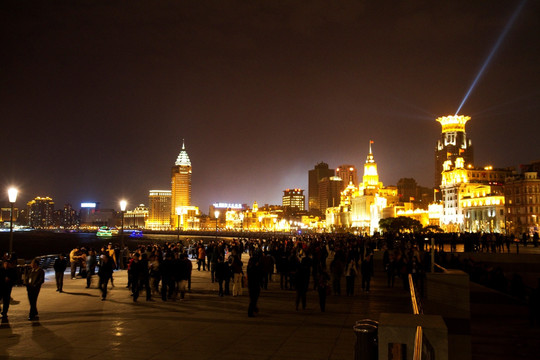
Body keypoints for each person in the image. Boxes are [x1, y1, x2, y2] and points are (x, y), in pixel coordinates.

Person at [1, 255, 18, 320]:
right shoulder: (1, 270)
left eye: (7, 263)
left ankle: (4, 313)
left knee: (6, 301)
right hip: (1, 287)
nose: (6, 265)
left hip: (7, 288)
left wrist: (9, 280)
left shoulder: (12, 271)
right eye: (5, 263)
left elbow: (15, 279)